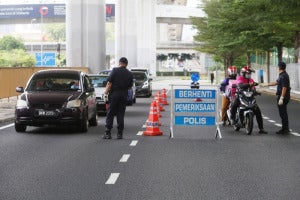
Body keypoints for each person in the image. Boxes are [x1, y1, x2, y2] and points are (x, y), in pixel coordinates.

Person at [230, 66, 267, 134]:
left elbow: (253, 88)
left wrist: (256, 92)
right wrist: (249, 84)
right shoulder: (239, 78)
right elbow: (241, 85)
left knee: (258, 111)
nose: (249, 75)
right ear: (243, 73)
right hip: (240, 96)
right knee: (234, 104)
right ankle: (232, 118)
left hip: (250, 97)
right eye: (247, 74)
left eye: (249, 74)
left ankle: (261, 128)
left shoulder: (251, 80)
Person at [103, 57, 133, 139]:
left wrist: (105, 93)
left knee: (110, 113)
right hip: (123, 95)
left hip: (114, 94)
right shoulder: (129, 73)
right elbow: (130, 86)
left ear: (119, 63)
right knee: (121, 113)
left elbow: (109, 83)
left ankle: (108, 133)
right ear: (126, 64)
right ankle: (120, 134)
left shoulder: (115, 70)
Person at [259, 61, 291, 134]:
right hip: (282, 96)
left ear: (279, 67)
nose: (277, 67)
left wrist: (282, 98)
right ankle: (285, 128)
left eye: (277, 66)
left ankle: (285, 129)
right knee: (282, 112)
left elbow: (284, 88)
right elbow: (276, 82)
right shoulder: (282, 75)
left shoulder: (283, 76)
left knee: (283, 113)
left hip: (283, 96)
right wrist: (266, 84)